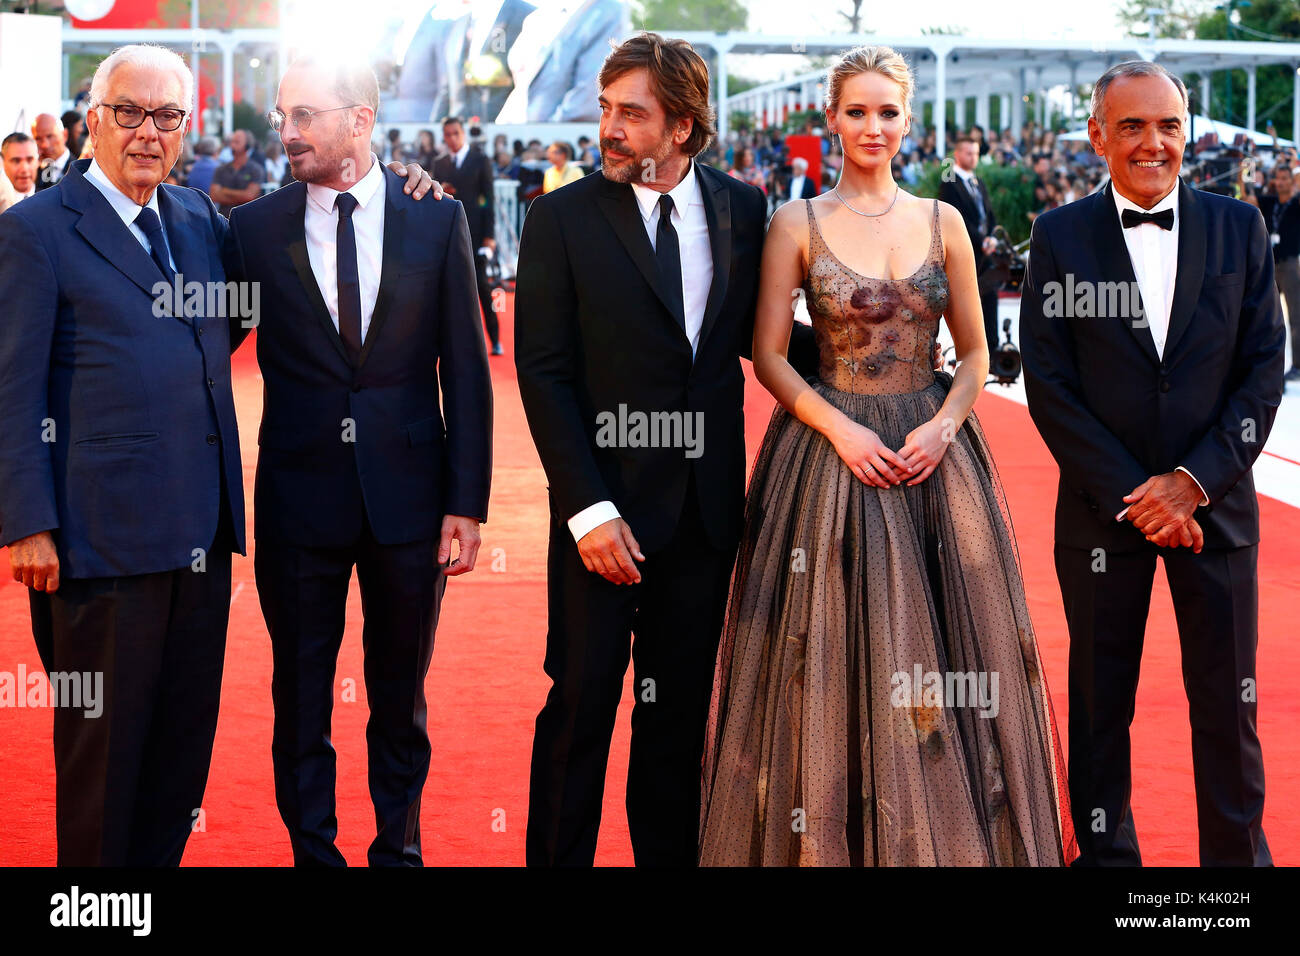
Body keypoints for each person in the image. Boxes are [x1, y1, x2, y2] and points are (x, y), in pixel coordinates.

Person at [699, 45, 1076, 867]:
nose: (874, 126)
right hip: (831, 456)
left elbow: (976, 354)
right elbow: (766, 354)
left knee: (947, 652)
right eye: (857, 111)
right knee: (828, 650)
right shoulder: (795, 223)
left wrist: (944, 426)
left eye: (888, 111)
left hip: (936, 455)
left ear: (909, 121)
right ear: (830, 118)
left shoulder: (943, 220)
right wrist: (840, 428)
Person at [515, 31, 821, 868]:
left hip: (704, 513)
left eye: (632, 114)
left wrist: (877, 351)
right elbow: (543, 376)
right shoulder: (561, 218)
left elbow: (758, 338)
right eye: (606, 110)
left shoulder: (743, 208)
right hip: (601, 512)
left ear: (684, 127)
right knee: (579, 709)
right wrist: (588, 511)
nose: (609, 129)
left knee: (677, 718)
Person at [225, 54, 491, 867]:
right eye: (283, 117)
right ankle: (315, 855)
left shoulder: (434, 218)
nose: (289, 131)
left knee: (398, 702)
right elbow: (203, 344)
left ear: (360, 120)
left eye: (305, 114)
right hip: (299, 501)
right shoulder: (255, 228)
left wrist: (467, 501)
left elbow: (467, 368)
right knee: (300, 699)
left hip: (410, 500)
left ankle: (397, 853)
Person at [1020, 60, 1284, 866]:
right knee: (1102, 709)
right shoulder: (1059, 235)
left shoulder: (1239, 227)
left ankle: (1236, 876)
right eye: (1131, 125)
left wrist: (1193, 483)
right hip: (1106, 517)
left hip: (1218, 510)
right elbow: (1050, 381)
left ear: (1187, 131)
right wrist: (1139, 496)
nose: (1152, 142)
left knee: (1225, 708)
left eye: (1168, 125)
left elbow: (1263, 369)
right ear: (1097, 135)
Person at [0, 43, 246, 866]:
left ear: (186, 127)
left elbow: (236, 316)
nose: (149, 133)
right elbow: (10, 389)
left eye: (167, 117)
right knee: (103, 773)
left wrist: (398, 188)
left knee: (179, 765)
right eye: (130, 113)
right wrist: (25, 522)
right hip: (95, 551)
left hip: (200, 542)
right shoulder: (36, 231)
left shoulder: (200, 221)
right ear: (94, 120)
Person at [432, 116, 501, 355]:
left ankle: (495, 339)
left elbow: (488, 199)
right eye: (447, 135)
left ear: (463, 133)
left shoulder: (480, 160)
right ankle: (457, 343)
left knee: (482, 288)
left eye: (455, 133)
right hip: (448, 236)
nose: (451, 139)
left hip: (477, 233)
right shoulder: (439, 163)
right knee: (450, 290)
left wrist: (489, 237)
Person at [939, 134, 1001, 354]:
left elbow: (989, 215)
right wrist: (980, 239)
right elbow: (956, 218)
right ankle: (970, 350)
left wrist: (992, 236)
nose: (973, 157)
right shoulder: (949, 183)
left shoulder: (979, 182)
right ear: (957, 155)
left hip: (986, 253)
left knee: (990, 295)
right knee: (967, 303)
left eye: (976, 153)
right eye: (968, 153)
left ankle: (992, 348)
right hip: (965, 252)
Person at [1243, 162, 1300, 383]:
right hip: (1270, 263)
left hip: (1290, 264)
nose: (1282, 182)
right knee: (1267, 316)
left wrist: (1295, 173)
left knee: (1296, 317)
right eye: (1279, 178)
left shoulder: (1295, 204)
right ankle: (1267, 366)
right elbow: (1249, 201)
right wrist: (1244, 176)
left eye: (1286, 178)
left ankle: (1297, 365)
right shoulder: (1270, 202)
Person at [210, 129, 264, 215]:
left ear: (247, 146)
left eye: (237, 142)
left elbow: (250, 195)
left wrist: (224, 191)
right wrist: (241, 197)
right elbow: (214, 195)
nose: (232, 145)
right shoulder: (221, 169)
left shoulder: (256, 169)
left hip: (248, 218)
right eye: (232, 141)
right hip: (225, 219)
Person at [32, 113, 74, 191]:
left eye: (50, 136)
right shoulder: (33, 171)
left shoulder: (80, 169)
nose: (44, 145)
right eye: (38, 138)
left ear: (65, 135)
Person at [1, 132, 38, 203]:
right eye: (16, 161)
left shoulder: (53, 199)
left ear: (38, 161)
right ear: (3, 162)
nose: (24, 169)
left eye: (30, 160)